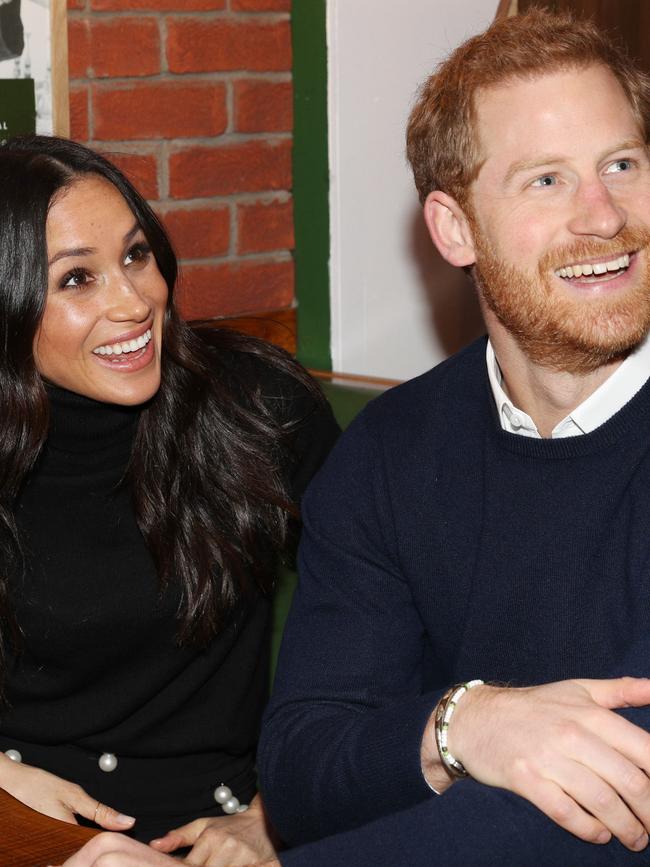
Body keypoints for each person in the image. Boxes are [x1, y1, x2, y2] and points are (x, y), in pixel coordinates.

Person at [54, 8, 650, 866]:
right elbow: (299, 772)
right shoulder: (393, 449)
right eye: (546, 181)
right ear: (454, 229)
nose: (603, 215)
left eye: (622, 164)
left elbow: (611, 809)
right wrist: (463, 722)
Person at [0, 134, 338, 866]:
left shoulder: (256, 405)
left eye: (134, 255)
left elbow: (388, 618)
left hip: (211, 829)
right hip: (21, 816)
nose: (134, 300)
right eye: (76, 280)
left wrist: (274, 813)